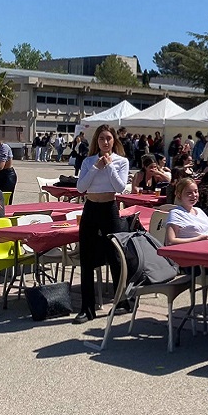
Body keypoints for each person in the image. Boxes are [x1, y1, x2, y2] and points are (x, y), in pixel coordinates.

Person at [73, 124, 130, 324]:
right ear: (96, 141)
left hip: (109, 208)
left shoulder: (121, 161)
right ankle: (87, 309)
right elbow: (81, 187)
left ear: (114, 140)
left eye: (108, 138)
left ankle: (121, 298)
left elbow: (120, 187)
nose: (105, 142)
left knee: (115, 255)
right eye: (101, 139)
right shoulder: (89, 161)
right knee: (86, 257)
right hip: (91, 208)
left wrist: (109, 166)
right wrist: (96, 167)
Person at [165, 178, 208, 245]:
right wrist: (197, 239)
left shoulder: (199, 211)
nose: (194, 195)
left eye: (196, 191)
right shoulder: (176, 213)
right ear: (179, 195)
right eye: (189, 193)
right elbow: (170, 241)